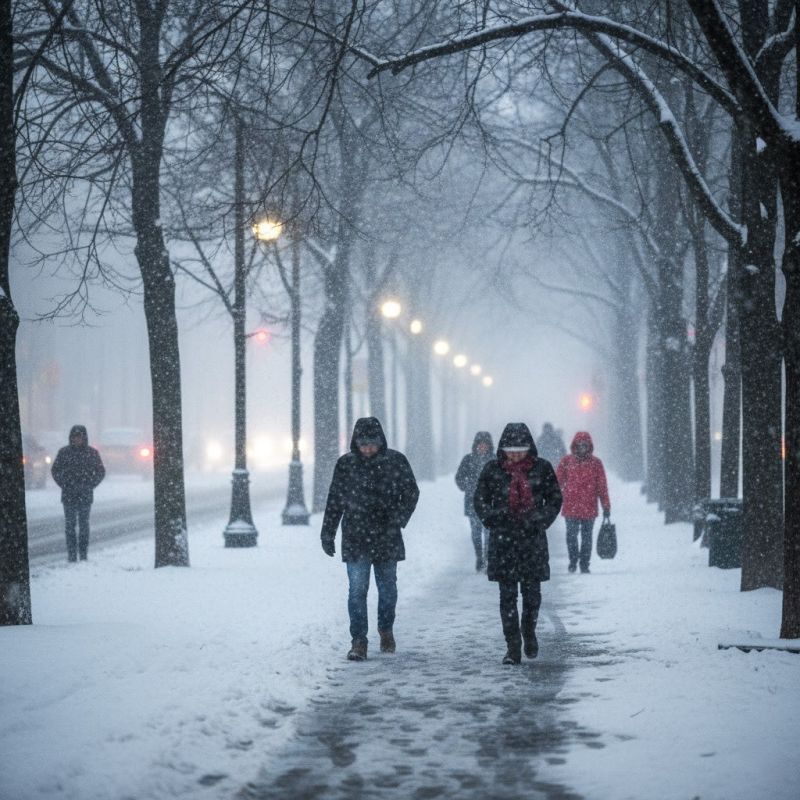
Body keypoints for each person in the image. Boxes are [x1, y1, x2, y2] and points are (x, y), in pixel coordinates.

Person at [320, 417, 420, 661]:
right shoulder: (346, 464)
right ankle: (358, 640)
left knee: (388, 590)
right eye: (363, 444)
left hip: (387, 536)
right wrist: (328, 532)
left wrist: (398, 517)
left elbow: (411, 492)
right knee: (357, 590)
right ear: (356, 442)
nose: (367, 449)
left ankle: (385, 628)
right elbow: (335, 500)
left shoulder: (395, 461)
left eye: (372, 444)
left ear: (380, 442)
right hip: (356, 537)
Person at [474, 423, 562, 665]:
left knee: (532, 595)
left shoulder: (542, 468)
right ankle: (512, 646)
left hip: (532, 540)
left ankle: (529, 631)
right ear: (502, 448)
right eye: (510, 449)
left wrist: (540, 519)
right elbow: (480, 499)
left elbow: (555, 498)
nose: (515, 454)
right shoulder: (493, 470)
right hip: (503, 542)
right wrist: (493, 517)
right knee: (507, 597)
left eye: (520, 449)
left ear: (529, 448)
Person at [556, 431, 610, 574]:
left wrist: (606, 506)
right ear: (575, 446)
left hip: (588, 507)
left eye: (584, 445)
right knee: (571, 536)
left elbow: (602, 486)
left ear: (589, 446)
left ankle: (584, 563)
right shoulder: (566, 462)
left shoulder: (596, 463)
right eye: (579, 445)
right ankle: (573, 560)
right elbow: (557, 483)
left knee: (587, 538)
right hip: (571, 506)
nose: (582, 447)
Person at [51, 425, 105, 562]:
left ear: (84, 437)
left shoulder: (92, 453)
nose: (77, 439)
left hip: (85, 495)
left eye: (79, 437)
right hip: (69, 495)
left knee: (83, 526)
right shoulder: (64, 453)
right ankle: (72, 555)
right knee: (70, 526)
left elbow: (100, 471)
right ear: (71, 438)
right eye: (75, 437)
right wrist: (64, 484)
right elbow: (55, 470)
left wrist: (90, 485)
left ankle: (83, 554)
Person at [455, 431, 495, 572]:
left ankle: (488, 557)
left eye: (485, 444)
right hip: (472, 502)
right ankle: (479, 557)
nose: (482, 447)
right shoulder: (468, 460)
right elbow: (459, 478)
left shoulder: (495, 460)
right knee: (476, 532)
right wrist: (468, 486)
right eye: (480, 444)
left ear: (489, 445)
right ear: (475, 445)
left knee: (489, 532)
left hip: (491, 503)